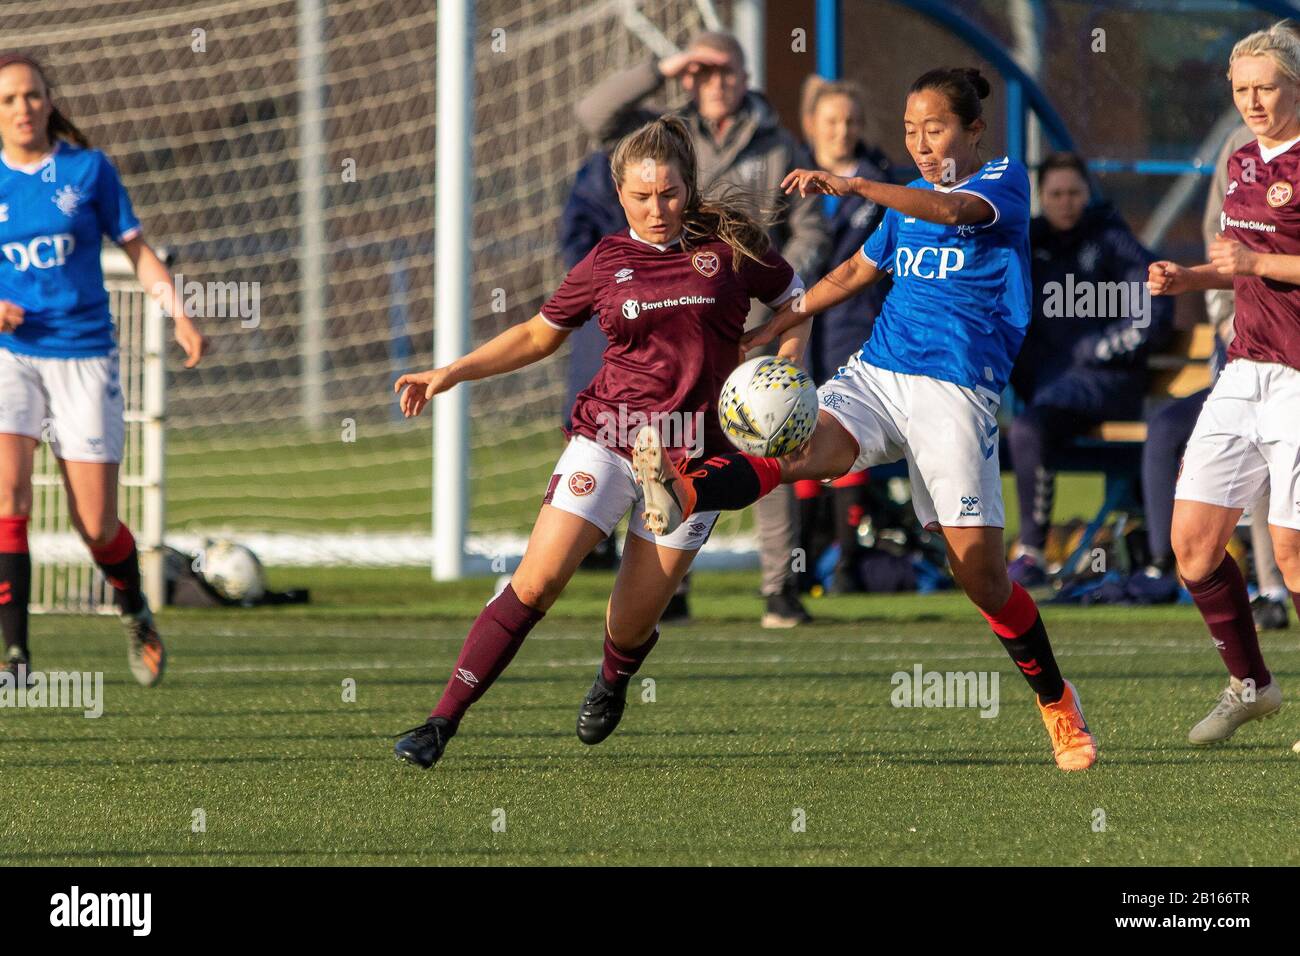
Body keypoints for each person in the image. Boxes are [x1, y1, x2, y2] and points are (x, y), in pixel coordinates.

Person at [631, 68, 1098, 772]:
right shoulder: (906, 202)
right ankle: (688, 488)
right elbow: (853, 272)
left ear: (974, 130)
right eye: (909, 131)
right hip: (879, 374)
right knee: (795, 448)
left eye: (934, 129)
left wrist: (854, 184)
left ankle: (1058, 702)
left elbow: (952, 214)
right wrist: (774, 327)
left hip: (957, 395)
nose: (919, 143)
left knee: (983, 580)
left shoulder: (1002, 180)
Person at [391, 116, 808, 770]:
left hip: (694, 454)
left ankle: (613, 676)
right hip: (610, 437)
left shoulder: (731, 247)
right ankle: (441, 720)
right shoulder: (606, 261)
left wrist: (784, 370)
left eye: (669, 194)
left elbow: (795, 297)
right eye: (641, 197)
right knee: (538, 581)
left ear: (689, 186)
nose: (657, 208)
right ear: (619, 193)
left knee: (629, 622)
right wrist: (450, 371)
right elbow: (538, 334)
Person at [577, 30, 829, 628]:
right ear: (691, 76)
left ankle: (778, 589)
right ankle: (671, 588)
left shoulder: (779, 142)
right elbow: (592, 116)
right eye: (705, 72)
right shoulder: (664, 135)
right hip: (676, 334)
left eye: (727, 71)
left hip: (762, 323)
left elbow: (810, 231)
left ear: (746, 75)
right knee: (667, 449)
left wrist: (776, 298)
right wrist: (663, 67)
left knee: (772, 446)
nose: (717, 83)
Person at [0, 53, 207, 687]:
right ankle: (16, 659)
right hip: (11, 358)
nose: (22, 108)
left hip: (85, 358)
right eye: (8, 99)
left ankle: (134, 607)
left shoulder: (88, 171)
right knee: (6, 496)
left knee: (97, 526)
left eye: (31, 96)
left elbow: (138, 252)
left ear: (49, 101)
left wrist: (178, 312)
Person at [1146, 23, 1300, 745]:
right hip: (1244, 368)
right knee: (1194, 546)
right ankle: (1252, 684)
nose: (1252, 101)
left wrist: (1252, 266)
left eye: (1265, 86)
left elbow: (1259, 261)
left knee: (1292, 549)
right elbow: (1236, 259)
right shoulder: (1237, 161)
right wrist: (1190, 276)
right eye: (1240, 89)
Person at [1006, 152, 1172, 586]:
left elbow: (1154, 305)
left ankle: (1031, 551)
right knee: (1010, 429)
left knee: (1026, 429)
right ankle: (1007, 554)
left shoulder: (1111, 240)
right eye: (1056, 194)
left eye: (1074, 193)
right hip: (1054, 392)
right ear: (1042, 198)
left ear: (1087, 194)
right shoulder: (1028, 245)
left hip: (1108, 385)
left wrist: (1101, 348)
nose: (1066, 202)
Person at [794, 80, 895, 593]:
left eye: (851, 121)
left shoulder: (878, 187)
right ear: (812, 125)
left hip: (855, 321)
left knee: (842, 429)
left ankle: (848, 566)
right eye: (831, 121)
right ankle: (806, 561)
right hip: (800, 321)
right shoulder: (790, 182)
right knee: (793, 428)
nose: (842, 131)